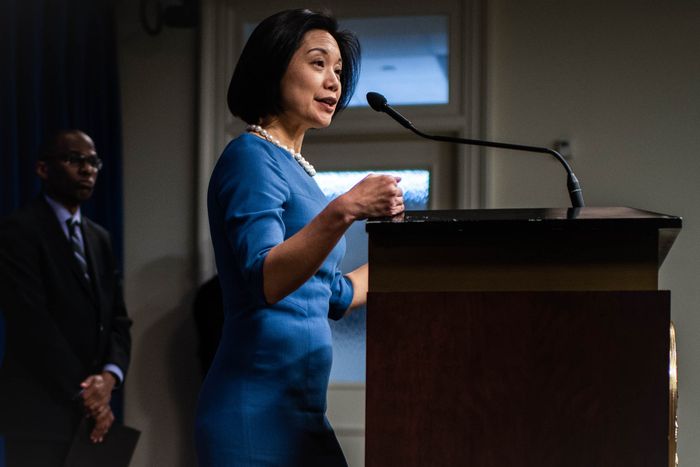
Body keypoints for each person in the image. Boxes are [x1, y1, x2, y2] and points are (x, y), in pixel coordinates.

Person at [194, 8, 404, 466]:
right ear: (273, 67)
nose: (334, 82)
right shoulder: (249, 156)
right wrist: (346, 208)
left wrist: (409, 255)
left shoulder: (300, 176)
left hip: (302, 413)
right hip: (253, 414)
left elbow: (335, 294)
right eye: (318, 63)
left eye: (338, 71)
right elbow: (266, 278)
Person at [0, 130, 132, 466]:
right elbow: (33, 324)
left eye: (93, 161)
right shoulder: (18, 230)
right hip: (39, 415)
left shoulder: (99, 238)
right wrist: (90, 395)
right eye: (75, 160)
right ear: (43, 169)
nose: (87, 169)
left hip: (93, 416)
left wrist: (109, 378)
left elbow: (117, 320)